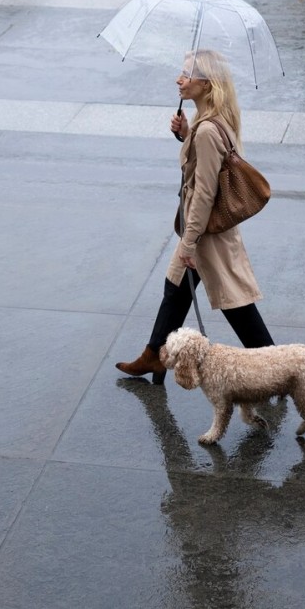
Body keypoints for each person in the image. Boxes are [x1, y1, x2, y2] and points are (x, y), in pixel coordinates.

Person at [116, 49, 274, 384]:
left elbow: (205, 192)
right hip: (202, 229)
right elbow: (207, 165)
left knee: (237, 305)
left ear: (206, 83)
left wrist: (189, 241)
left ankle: (274, 368)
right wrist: (184, 134)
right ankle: (154, 355)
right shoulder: (210, 122)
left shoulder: (207, 131)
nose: (179, 79)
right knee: (175, 288)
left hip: (206, 233)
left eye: (186, 74)